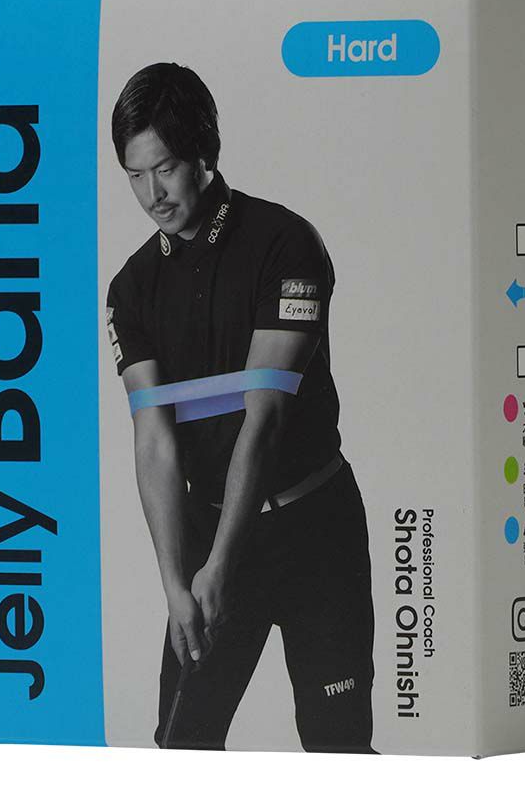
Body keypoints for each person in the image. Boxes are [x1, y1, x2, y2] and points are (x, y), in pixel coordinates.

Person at [105, 62, 374, 752]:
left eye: (165, 168)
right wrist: (176, 583)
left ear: (203, 153)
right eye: (135, 175)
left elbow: (267, 414)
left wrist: (221, 563)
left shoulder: (286, 243)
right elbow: (154, 438)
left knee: (337, 743)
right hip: (211, 529)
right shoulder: (131, 289)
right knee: (181, 744)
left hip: (315, 531)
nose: (152, 194)